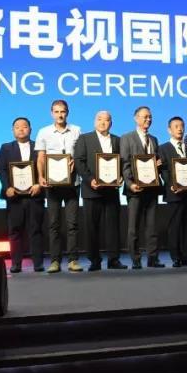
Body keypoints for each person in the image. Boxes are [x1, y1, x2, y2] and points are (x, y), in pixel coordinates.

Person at [73, 111, 126, 271]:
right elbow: (79, 162)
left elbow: (122, 162)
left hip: (111, 191)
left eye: (107, 120)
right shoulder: (84, 138)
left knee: (113, 226)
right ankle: (94, 260)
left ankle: (113, 259)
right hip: (91, 190)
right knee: (91, 227)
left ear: (111, 123)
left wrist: (121, 176)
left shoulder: (117, 140)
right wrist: (90, 180)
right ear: (94, 121)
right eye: (100, 119)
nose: (103, 122)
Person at [35, 99, 83, 274]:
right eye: (56, 111)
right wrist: (40, 176)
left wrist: (75, 162)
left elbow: (80, 155)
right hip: (52, 184)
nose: (60, 115)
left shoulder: (77, 130)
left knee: (72, 224)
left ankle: (73, 260)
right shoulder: (44, 132)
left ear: (67, 113)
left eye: (62, 111)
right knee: (54, 224)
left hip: (72, 183)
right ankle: (55, 261)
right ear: (51, 113)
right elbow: (41, 157)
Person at [0, 117, 45, 273]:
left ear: (30, 129)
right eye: (17, 127)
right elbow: (2, 169)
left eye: (24, 126)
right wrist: (7, 187)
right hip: (14, 197)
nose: (21, 129)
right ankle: (16, 263)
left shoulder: (39, 147)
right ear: (13, 130)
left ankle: (38, 263)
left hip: (35, 195)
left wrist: (39, 184)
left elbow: (45, 167)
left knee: (36, 229)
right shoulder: (6, 148)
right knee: (15, 230)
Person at [121, 106, 164, 269]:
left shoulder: (154, 139)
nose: (148, 119)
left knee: (152, 227)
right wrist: (130, 183)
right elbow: (125, 164)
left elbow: (155, 163)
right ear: (136, 118)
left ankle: (153, 258)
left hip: (152, 189)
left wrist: (158, 164)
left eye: (150, 117)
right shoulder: (127, 138)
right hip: (135, 189)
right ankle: (136, 259)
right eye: (145, 116)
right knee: (133, 227)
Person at [158, 116, 187, 267]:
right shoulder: (163, 148)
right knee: (175, 225)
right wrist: (171, 185)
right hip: (174, 193)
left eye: (182, 126)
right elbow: (163, 170)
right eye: (176, 126)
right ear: (169, 130)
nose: (180, 129)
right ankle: (176, 256)